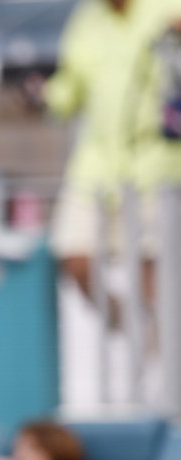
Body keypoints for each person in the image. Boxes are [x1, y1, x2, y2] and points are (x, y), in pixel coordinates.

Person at [39, 0, 181, 316]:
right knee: (73, 255)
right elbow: (67, 91)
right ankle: (132, 332)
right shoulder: (86, 19)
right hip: (96, 167)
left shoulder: (169, 7)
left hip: (157, 165)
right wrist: (42, 97)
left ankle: (153, 351)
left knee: (150, 267)